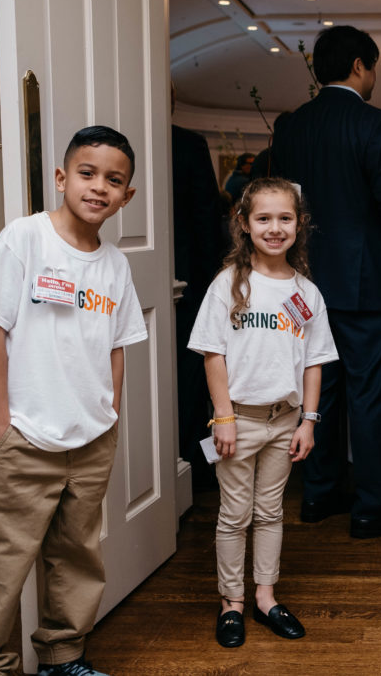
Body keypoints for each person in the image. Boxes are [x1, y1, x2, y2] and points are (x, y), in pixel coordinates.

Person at [0, 126, 148, 676]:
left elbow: (117, 345)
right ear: (62, 178)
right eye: (87, 174)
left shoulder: (115, 264)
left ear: (126, 196)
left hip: (90, 438)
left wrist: (110, 414)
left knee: (76, 557)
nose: (98, 188)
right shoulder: (25, 239)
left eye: (114, 180)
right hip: (25, 435)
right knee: (0, 563)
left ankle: (64, 657)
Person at [272, 25, 381, 538]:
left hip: (305, 284)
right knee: (370, 396)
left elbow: (283, 207)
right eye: (374, 68)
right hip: (367, 289)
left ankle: (318, 496)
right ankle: (370, 505)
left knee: (319, 393)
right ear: (361, 66)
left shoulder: (292, 128)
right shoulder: (374, 123)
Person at [188, 177, 338, 649]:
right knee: (234, 513)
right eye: (264, 219)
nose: (275, 228)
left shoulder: (307, 294)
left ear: (300, 224)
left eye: (285, 218)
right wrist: (224, 416)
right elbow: (213, 354)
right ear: (245, 224)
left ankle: (265, 596)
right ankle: (231, 602)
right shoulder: (229, 285)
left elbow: (314, 362)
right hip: (239, 420)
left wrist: (309, 420)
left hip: (285, 420)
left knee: (271, 511)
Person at [172, 86, 228, 491]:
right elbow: (208, 219)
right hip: (190, 280)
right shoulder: (188, 145)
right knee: (190, 377)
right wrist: (217, 286)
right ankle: (191, 464)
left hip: (178, 280)